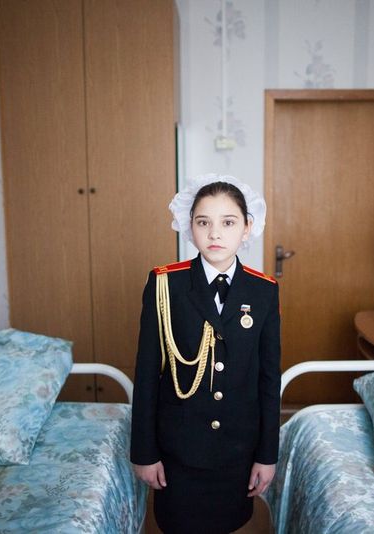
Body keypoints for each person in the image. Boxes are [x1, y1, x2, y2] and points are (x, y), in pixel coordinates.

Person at [130, 174, 281, 534]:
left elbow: (268, 378)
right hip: (180, 448)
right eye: (203, 222)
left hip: (237, 448)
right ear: (190, 228)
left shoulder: (263, 291)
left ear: (246, 229)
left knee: (229, 524)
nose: (215, 234)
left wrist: (267, 455)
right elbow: (147, 373)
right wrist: (144, 453)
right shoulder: (166, 284)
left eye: (228, 223)